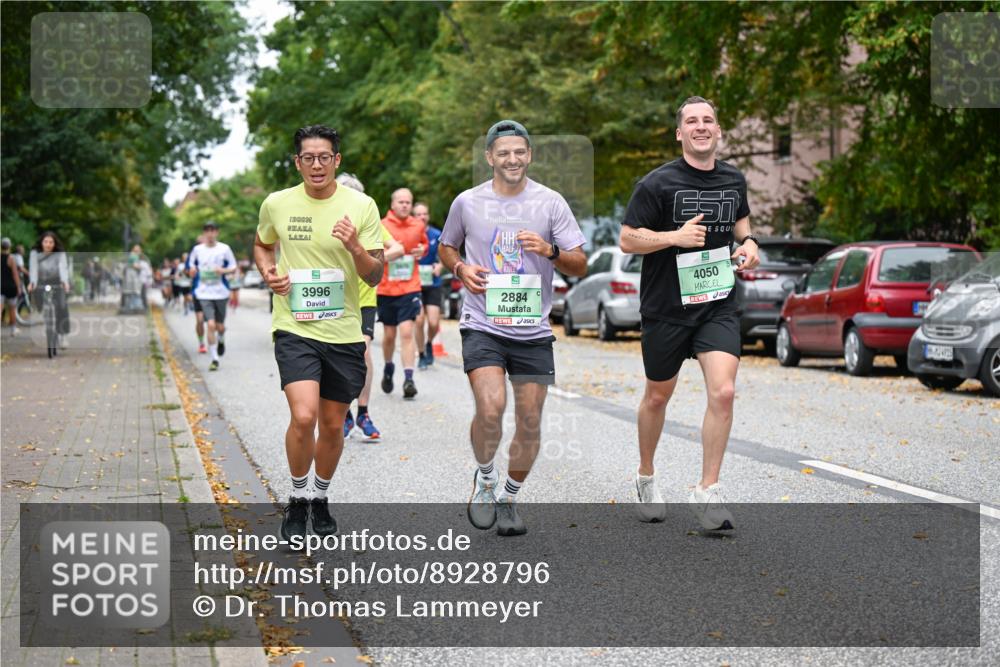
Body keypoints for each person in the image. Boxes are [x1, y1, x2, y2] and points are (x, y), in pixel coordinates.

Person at [439, 120, 587, 536]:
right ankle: (485, 478)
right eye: (503, 152)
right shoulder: (467, 202)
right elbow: (446, 246)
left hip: (533, 329)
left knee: (529, 420)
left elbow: (579, 262)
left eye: (519, 151)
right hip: (482, 322)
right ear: (489, 157)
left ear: (530, 155)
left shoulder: (551, 203)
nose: (512, 159)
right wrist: (461, 267)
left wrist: (551, 250)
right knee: (490, 408)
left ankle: (509, 496)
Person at [619, 96, 760, 529]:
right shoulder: (656, 184)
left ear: (718, 131)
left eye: (709, 121)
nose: (701, 127)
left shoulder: (733, 180)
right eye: (692, 122)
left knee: (724, 392)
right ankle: (646, 474)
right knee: (658, 395)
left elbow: (742, 227)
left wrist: (751, 245)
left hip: (717, 303)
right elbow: (627, 240)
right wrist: (672, 238)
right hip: (666, 307)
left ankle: (708, 489)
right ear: (680, 133)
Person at [254, 125, 384, 541]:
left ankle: (320, 497)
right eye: (307, 158)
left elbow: (376, 272)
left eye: (323, 157)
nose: (316, 165)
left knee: (331, 424)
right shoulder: (277, 203)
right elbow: (261, 244)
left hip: (343, 330)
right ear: (297, 162)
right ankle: (296, 500)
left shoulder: (361, 206)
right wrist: (268, 272)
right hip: (294, 326)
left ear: (336, 161)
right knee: (303, 414)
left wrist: (355, 248)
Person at [335, 172, 405, 442]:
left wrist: (367, 258)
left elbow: (397, 247)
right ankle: (344, 414)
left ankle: (362, 412)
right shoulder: (326, 219)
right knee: (338, 358)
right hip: (334, 300)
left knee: (362, 353)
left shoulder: (369, 220)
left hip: (363, 299)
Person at [376, 188, 428, 399]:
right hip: (386, 288)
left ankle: (409, 378)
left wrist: (421, 250)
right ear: (393, 204)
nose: (405, 205)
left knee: (407, 332)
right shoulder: (382, 225)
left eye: (408, 202)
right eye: (401, 202)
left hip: (410, 287)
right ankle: (389, 368)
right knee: (389, 335)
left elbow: (423, 244)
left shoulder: (418, 225)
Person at [188, 223, 237, 371]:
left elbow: (234, 266)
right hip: (203, 292)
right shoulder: (197, 250)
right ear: (204, 233)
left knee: (220, 326)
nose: (210, 234)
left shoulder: (224, 248)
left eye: (213, 231)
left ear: (217, 232)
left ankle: (221, 338)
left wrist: (223, 270)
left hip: (220, 292)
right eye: (207, 231)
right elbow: (191, 266)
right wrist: (191, 270)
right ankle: (214, 358)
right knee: (210, 324)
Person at [28, 231, 72, 349]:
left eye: (51, 242)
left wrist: (65, 282)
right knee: (36, 294)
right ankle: (43, 311)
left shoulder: (59, 253)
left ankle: (63, 335)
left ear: (54, 243)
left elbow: (63, 268)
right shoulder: (35, 253)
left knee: (62, 306)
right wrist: (32, 283)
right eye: (46, 242)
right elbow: (33, 268)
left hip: (57, 280)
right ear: (41, 242)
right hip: (41, 280)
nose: (48, 244)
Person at [413, 202, 443, 369]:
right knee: (418, 321)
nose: (422, 217)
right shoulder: (410, 235)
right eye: (418, 214)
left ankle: (430, 342)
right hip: (415, 284)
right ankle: (422, 354)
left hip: (432, 283)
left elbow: (443, 258)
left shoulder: (436, 234)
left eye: (424, 214)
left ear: (428, 216)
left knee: (433, 322)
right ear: (413, 217)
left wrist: (439, 266)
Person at [184, 238, 208, 351]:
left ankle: (217, 339)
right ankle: (201, 343)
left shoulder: (216, 254)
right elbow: (187, 272)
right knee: (200, 320)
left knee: (216, 323)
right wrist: (191, 272)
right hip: (198, 292)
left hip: (215, 293)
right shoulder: (193, 258)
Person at [1, 238, 23, 335]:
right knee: (12, 309)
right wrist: (18, 287)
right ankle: (13, 329)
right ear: (9, 246)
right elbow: (15, 274)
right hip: (11, 287)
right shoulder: (11, 258)